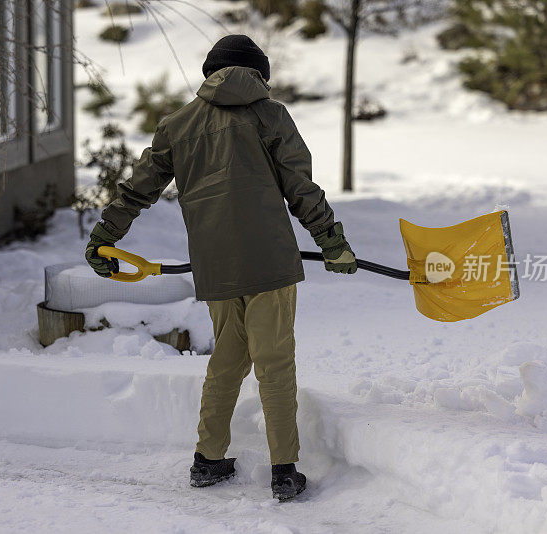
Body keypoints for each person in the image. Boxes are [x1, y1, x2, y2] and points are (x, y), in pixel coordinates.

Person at [85, 35, 357, 501]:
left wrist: (104, 236)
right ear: (259, 74)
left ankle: (207, 461)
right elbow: (300, 186)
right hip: (269, 261)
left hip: (215, 267)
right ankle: (284, 471)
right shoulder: (270, 115)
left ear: (210, 72)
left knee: (228, 360)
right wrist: (331, 242)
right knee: (274, 363)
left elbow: (138, 189)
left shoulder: (178, 123)